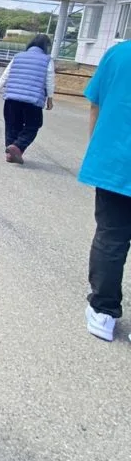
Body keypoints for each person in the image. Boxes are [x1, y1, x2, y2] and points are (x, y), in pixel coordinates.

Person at [79, 39, 131, 342]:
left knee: (111, 238)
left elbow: (95, 103)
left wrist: (96, 148)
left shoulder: (118, 54)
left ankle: (103, 313)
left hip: (115, 162)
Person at [0, 34, 55, 163]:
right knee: (33, 125)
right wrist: (50, 98)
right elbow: (50, 80)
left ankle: (10, 153)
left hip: (12, 98)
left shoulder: (18, 56)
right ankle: (17, 147)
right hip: (32, 100)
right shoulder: (47, 60)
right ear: (46, 46)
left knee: (12, 125)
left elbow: (6, 74)